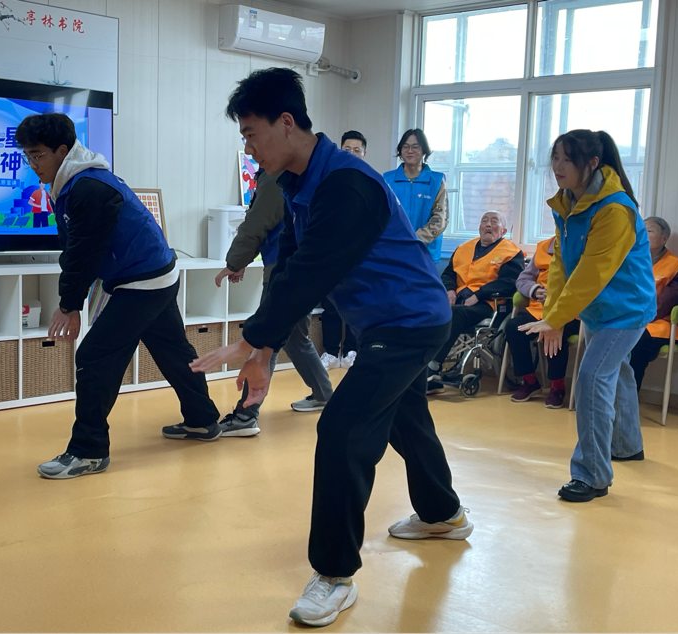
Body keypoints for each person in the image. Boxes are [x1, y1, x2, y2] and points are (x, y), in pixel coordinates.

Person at [188, 68, 471, 628]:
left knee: (343, 430)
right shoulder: (298, 182)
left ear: (285, 123)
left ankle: (334, 574)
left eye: (250, 134)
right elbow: (290, 265)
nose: (248, 148)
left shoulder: (346, 183)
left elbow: (313, 272)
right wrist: (263, 350)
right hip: (388, 320)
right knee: (405, 419)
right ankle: (444, 513)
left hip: (409, 322)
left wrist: (252, 338)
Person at [16, 113, 221, 479]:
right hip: (156, 273)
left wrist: (69, 306)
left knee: (94, 356)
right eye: (28, 156)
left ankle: (88, 451)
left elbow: (81, 253)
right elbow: (77, 248)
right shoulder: (75, 181)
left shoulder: (88, 188)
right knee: (173, 350)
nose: (33, 164)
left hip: (143, 281)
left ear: (62, 151)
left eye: (38, 155)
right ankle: (202, 420)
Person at [520, 129, 656, 502]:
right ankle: (627, 445)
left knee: (593, 378)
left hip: (626, 309)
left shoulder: (614, 208)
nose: (558, 167)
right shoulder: (566, 201)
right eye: (555, 158)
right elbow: (562, 263)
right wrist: (553, 315)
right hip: (597, 308)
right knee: (618, 372)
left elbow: (592, 273)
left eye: (568, 159)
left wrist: (557, 318)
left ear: (592, 163)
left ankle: (592, 475)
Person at [213, 167, 334, 437]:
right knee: (295, 338)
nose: (250, 149)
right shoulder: (298, 170)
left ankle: (245, 416)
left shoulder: (275, 174)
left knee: (266, 338)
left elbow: (258, 221)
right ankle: (324, 393)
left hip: (286, 270)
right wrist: (242, 261)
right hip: (299, 268)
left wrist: (235, 261)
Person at [426, 211, 524, 394]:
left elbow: (509, 282)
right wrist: (450, 290)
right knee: (430, 311)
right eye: (484, 221)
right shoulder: (463, 248)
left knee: (454, 314)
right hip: (459, 302)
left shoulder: (511, 252)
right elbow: (449, 274)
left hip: (489, 305)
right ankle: (423, 366)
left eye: (494, 222)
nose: (488, 224)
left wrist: (480, 294)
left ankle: (432, 367)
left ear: (503, 230)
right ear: (479, 227)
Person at [505, 236, 580, 408]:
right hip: (539, 309)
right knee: (514, 327)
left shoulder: (584, 246)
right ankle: (529, 381)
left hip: (569, 312)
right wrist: (535, 290)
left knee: (556, 330)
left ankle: (557, 386)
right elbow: (522, 279)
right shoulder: (544, 247)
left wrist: (557, 295)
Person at [319, 130, 366, 370]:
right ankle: (330, 352)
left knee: (356, 304)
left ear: (364, 154)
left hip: (359, 253)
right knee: (331, 304)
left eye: (357, 150)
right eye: (347, 149)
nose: (352, 154)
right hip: (333, 252)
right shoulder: (330, 178)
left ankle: (351, 350)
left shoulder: (370, 181)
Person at [628, 217, 678, 392]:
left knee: (635, 345)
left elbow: (667, 301)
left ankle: (626, 399)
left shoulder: (677, 266)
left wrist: (633, 315)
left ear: (664, 238)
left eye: (649, 230)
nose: (642, 233)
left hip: (659, 324)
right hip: (628, 320)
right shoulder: (630, 260)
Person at [383, 129, 448, 263]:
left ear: (424, 151)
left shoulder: (436, 181)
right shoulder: (387, 179)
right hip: (394, 249)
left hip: (424, 252)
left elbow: (441, 218)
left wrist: (415, 239)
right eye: (405, 146)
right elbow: (381, 215)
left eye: (415, 147)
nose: (410, 151)